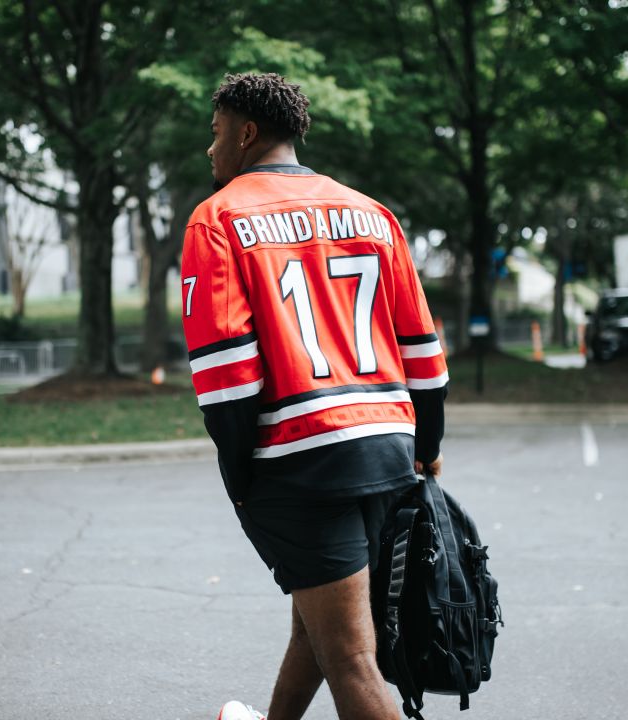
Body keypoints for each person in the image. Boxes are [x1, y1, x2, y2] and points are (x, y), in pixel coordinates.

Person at [181, 72, 447, 720]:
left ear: (246, 134)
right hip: (387, 451)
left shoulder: (216, 221)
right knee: (321, 622)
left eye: (215, 135)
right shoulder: (373, 213)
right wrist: (427, 450)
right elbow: (424, 357)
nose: (209, 151)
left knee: (352, 657)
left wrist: (239, 477)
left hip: (301, 463)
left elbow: (230, 382)